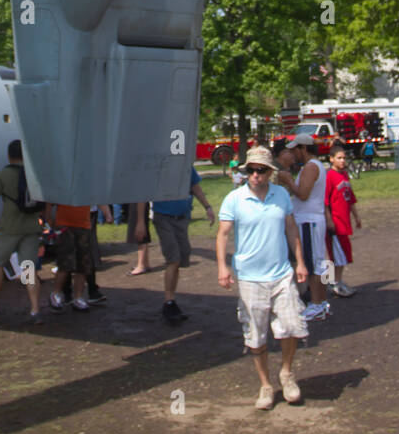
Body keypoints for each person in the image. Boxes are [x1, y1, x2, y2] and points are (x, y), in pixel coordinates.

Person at [217, 146, 308, 409]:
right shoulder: (234, 199)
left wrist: (300, 262)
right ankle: (266, 386)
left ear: (270, 172)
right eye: (251, 170)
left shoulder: (281, 195)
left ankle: (287, 374)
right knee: (256, 335)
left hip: (281, 273)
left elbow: (291, 228)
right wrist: (223, 267)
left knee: (291, 326)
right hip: (249, 277)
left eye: (261, 171)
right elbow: (223, 234)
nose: (255, 175)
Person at [0, 140, 44, 324]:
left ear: (9, 155)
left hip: (8, 227)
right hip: (31, 227)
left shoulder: (2, 175)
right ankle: (35, 310)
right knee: (29, 268)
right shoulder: (33, 175)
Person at [276, 134, 331, 320]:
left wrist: (288, 181)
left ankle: (316, 303)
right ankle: (322, 301)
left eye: (295, 150)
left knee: (312, 262)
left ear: (304, 148)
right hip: (312, 219)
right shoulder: (315, 166)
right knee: (320, 261)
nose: (293, 154)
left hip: (309, 221)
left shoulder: (311, 167)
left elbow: (303, 194)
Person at [151, 167, 215, 325]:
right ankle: (168, 302)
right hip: (163, 217)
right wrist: (140, 222)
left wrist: (207, 207)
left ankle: (171, 299)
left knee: (180, 259)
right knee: (173, 259)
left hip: (182, 218)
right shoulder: (159, 166)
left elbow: (195, 186)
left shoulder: (186, 166)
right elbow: (143, 195)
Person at [48, 200, 106, 310]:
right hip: (64, 224)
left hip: (83, 224)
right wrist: (49, 219)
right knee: (65, 262)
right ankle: (56, 293)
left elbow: (97, 196)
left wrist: (107, 213)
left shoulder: (88, 184)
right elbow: (50, 201)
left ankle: (78, 297)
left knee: (83, 263)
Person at [324, 143, 361, 296]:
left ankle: (334, 282)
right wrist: (329, 220)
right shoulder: (329, 176)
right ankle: (333, 284)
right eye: (339, 158)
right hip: (335, 223)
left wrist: (356, 216)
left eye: (344, 158)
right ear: (331, 159)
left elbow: (350, 199)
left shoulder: (344, 175)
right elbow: (324, 202)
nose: (342, 161)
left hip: (344, 222)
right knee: (336, 256)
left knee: (343, 254)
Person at [127, 200, 152, 274]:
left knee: (140, 234)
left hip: (139, 204)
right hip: (137, 203)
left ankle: (141, 265)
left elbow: (141, 196)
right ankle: (145, 263)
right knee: (142, 232)